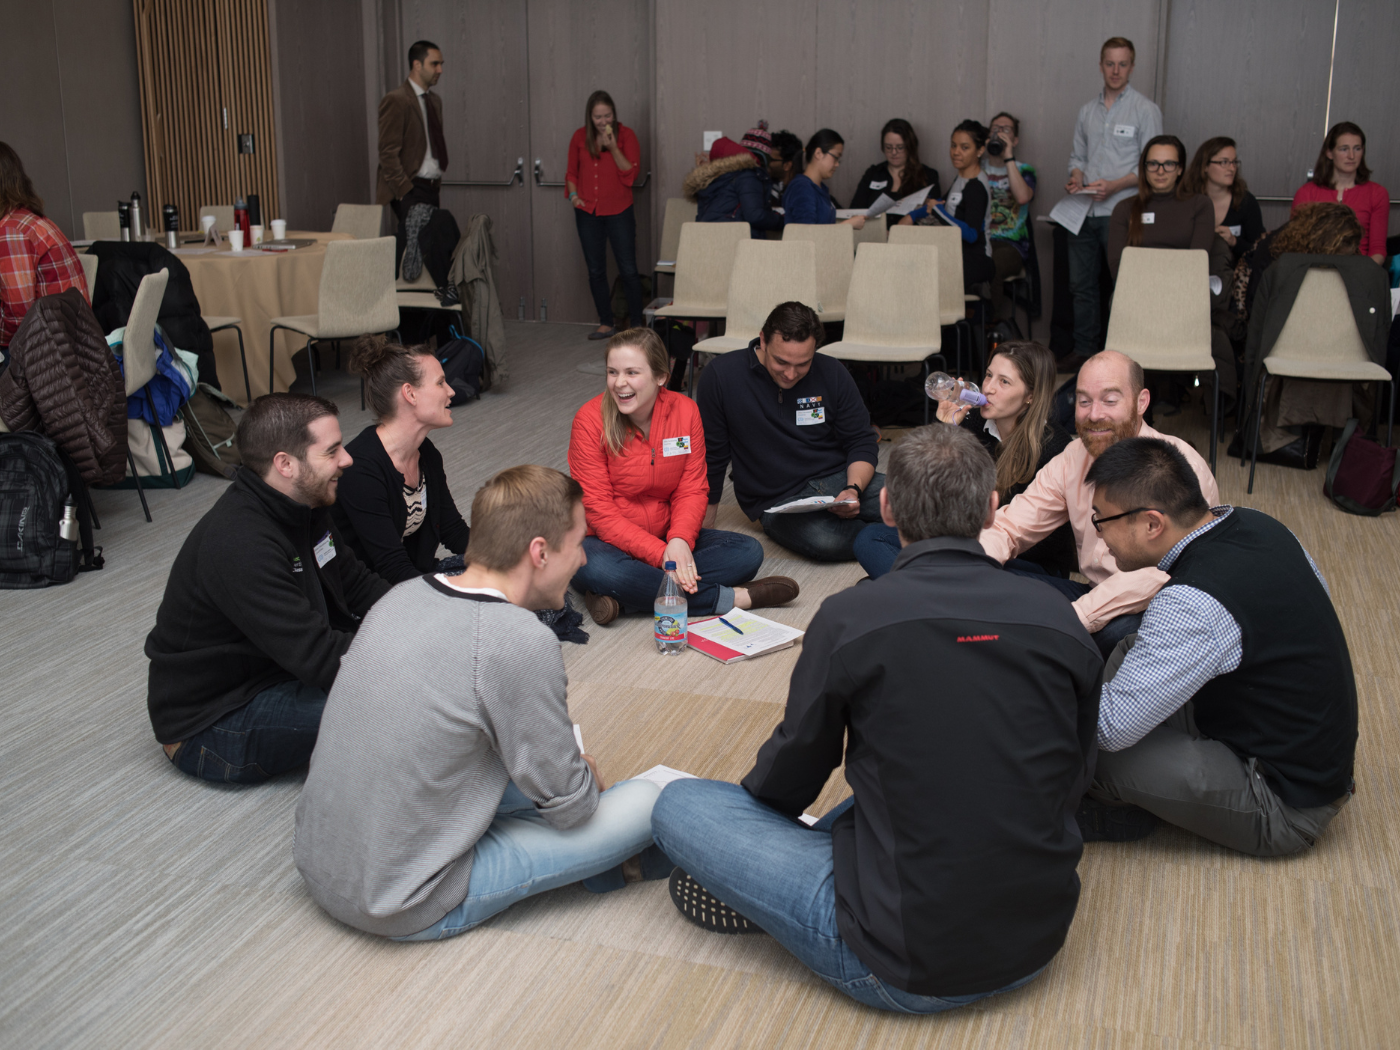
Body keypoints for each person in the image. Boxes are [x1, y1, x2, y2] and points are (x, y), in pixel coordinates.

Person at [650, 424, 1102, 1013]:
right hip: (1038, 938)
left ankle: (766, 885)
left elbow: (792, 776)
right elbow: (1073, 772)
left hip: (900, 964)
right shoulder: (1059, 614)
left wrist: (752, 834)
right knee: (937, 771)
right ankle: (784, 872)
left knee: (680, 805)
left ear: (885, 507)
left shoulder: (850, 616)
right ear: (993, 509)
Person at [294, 465, 672, 940]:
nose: (581, 561)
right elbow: (570, 809)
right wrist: (582, 779)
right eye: (577, 544)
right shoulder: (517, 638)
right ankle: (612, 865)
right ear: (539, 552)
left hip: (321, 862)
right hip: (400, 898)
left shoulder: (402, 595)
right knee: (655, 798)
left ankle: (604, 870)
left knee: (516, 775)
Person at [1078, 437, 1356, 855]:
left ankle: (1117, 808)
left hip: (1285, 802)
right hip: (1297, 744)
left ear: (1152, 524)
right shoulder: (1259, 523)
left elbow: (1109, 730)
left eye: (1102, 521)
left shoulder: (1193, 602)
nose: (1100, 538)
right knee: (1132, 647)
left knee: (1083, 744)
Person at [145, 394, 391, 784]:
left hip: (276, 669)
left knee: (416, 676)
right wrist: (422, 657)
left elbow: (357, 583)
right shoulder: (240, 543)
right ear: (285, 464)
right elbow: (321, 657)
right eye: (332, 451)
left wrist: (431, 611)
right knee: (398, 702)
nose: (347, 459)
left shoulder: (305, 506)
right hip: (213, 723)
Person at [977, 350, 1219, 659]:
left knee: (1119, 636)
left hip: (1152, 607)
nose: (1094, 415)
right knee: (992, 580)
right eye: (1083, 401)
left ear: (1141, 402)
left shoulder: (1178, 467)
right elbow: (1010, 526)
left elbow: (1162, 576)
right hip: (1091, 595)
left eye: (1110, 400)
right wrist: (966, 571)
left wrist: (1072, 617)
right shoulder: (1072, 458)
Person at [568, 328, 797, 624]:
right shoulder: (589, 421)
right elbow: (599, 512)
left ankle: (624, 597)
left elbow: (692, 488)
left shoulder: (686, 412)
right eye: (612, 372)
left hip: (667, 534)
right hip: (605, 543)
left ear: (661, 376)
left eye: (632, 372)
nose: (619, 383)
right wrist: (662, 555)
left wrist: (679, 541)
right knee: (597, 568)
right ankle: (730, 598)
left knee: (747, 551)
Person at [854, 342, 1073, 579]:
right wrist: (947, 429)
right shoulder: (974, 419)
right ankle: (941, 594)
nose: (988, 388)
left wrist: (965, 544)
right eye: (989, 375)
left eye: (1004, 382)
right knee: (870, 539)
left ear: (1030, 395)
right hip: (965, 543)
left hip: (1025, 560)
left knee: (890, 573)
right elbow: (932, 494)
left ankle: (916, 591)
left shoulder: (1054, 446)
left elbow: (1048, 543)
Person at [697, 301, 884, 562]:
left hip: (838, 476)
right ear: (762, 340)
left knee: (918, 499)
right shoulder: (721, 376)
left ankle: (902, 536)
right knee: (827, 541)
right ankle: (908, 538)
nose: (790, 374)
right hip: (777, 499)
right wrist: (704, 527)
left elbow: (861, 441)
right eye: (781, 361)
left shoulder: (833, 372)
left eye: (803, 364)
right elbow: (712, 456)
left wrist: (853, 489)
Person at [331, 336, 470, 583]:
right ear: (410, 394)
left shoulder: (426, 452)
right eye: (440, 383)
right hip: (374, 596)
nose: (451, 391)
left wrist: (507, 563)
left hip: (414, 575)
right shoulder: (361, 470)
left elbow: (453, 530)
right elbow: (392, 568)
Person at [1066, 37, 1164, 363]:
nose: (1116, 70)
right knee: (1082, 287)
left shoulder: (1146, 110)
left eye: (1123, 64)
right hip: (1084, 210)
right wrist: (1077, 176)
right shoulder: (1085, 112)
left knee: (1122, 288)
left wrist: (1115, 184)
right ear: (1101, 65)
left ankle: (1121, 358)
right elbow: (1077, 156)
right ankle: (1084, 355)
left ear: (1132, 67)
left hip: (1122, 211)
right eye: (1110, 63)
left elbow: (1153, 166)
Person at [566, 90, 644, 339]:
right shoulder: (579, 137)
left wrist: (613, 147)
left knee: (628, 269)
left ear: (614, 113)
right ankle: (606, 322)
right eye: (598, 117)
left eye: (607, 115)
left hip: (619, 210)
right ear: (590, 116)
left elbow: (630, 175)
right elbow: (571, 173)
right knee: (595, 270)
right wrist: (574, 196)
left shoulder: (627, 135)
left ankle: (638, 324)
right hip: (588, 211)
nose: (603, 121)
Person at [0, 141, 87, 351]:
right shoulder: (26, 220)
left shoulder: (11, 233)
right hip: (75, 346)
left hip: (53, 356)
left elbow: (19, 319)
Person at [899, 119, 997, 291]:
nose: (956, 152)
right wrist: (912, 216)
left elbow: (972, 234)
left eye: (964, 148)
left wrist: (936, 211)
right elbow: (940, 204)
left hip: (976, 259)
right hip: (955, 254)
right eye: (953, 146)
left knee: (915, 274)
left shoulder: (976, 186)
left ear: (980, 150)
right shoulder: (961, 178)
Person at [1106, 135, 1213, 281]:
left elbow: (1196, 264)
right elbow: (1117, 268)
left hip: (1183, 289)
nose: (1160, 171)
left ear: (1180, 169)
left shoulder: (1200, 205)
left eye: (1169, 164)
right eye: (1153, 164)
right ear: (1144, 168)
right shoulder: (1124, 209)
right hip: (1134, 291)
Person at [1291, 122, 1388, 263]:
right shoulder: (1307, 193)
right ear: (1329, 153)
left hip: (1360, 272)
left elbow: (1378, 250)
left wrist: (1363, 277)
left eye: (1357, 149)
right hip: (1314, 271)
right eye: (1344, 149)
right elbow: (1296, 245)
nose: (1351, 156)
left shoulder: (1377, 193)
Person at [376, 40, 448, 220]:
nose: (440, 70)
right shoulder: (396, 100)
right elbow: (387, 153)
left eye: (441, 64)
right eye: (434, 64)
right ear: (417, 65)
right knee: (417, 244)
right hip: (411, 188)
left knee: (430, 245)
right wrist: (403, 190)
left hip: (431, 187)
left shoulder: (434, 101)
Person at [984, 112, 1037, 324]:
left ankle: (987, 327)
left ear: (1015, 140)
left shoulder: (1024, 170)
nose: (1000, 133)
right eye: (995, 128)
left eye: (1006, 130)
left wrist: (1008, 158)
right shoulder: (975, 168)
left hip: (1011, 245)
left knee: (992, 264)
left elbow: (1023, 197)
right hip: (979, 241)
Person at [1182, 136, 1264, 262]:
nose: (1231, 168)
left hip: (1235, 276)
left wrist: (1234, 241)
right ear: (1205, 166)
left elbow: (1261, 251)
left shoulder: (1246, 201)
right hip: (1193, 271)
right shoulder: (1187, 199)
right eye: (1224, 162)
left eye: (1234, 162)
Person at [847, 118, 941, 227]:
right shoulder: (873, 174)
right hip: (875, 238)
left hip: (913, 239)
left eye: (900, 147)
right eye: (888, 147)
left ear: (910, 146)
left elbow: (935, 216)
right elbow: (855, 210)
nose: (894, 152)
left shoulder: (928, 175)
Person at [684, 136, 782, 238]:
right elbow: (755, 216)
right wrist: (783, 221)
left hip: (706, 242)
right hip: (739, 241)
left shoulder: (709, 182)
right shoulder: (747, 175)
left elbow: (700, 219)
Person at [781, 129, 865, 230]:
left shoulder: (819, 188)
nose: (837, 164)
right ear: (818, 153)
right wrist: (847, 225)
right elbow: (806, 233)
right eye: (835, 157)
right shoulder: (802, 188)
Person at [767, 129, 804, 209]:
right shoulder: (763, 185)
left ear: (787, 165)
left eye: (771, 160)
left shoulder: (803, 190)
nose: (766, 163)